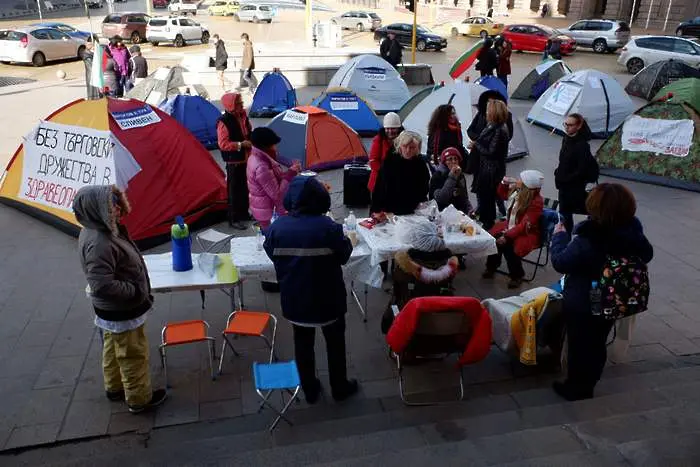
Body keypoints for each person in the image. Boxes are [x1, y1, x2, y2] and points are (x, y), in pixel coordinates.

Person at [551, 183, 653, 401]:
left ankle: (576, 387)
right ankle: (590, 381)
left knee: (579, 345)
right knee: (598, 341)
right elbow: (647, 254)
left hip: (583, 299)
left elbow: (560, 262)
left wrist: (559, 237)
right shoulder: (633, 233)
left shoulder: (588, 238)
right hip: (614, 298)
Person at [73, 185, 167, 414]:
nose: (116, 207)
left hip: (111, 311)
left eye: (117, 201)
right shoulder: (100, 242)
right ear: (97, 210)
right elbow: (102, 285)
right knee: (133, 354)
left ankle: (114, 387)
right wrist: (134, 291)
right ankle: (139, 398)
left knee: (113, 348)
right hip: (122, 309)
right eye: (110, 204)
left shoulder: (96, 231)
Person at [264, 175, 358, 404]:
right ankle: (339, 387)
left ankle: (310, 389)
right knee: (335, 344)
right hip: (329, 300)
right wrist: (349, 241)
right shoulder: (329, 228)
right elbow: (344, 256)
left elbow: (271, 253)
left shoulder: (277, 228)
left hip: (295, 300)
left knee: (303, 343)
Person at [381, 220, 458, 334]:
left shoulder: (404, 268)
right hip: (442, 325)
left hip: (411, 325)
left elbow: (397, 295)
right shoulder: (450, 267)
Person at [482, 170, 544, 288]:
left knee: (508, 245)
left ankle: (517, 275)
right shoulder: (518, 192)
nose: (518, 180)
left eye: (521, 179)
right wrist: (504, 183)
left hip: (527, 232)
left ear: (527, 184)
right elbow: (502, 194)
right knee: (494, 239)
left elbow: (524, 225)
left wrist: (507, 236)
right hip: (512, 224)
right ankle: (491, 266)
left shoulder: (536, 202)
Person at [247, 127, 300, 230]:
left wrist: (288, 173)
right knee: (271, 238)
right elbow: (276, 195)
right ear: (266, 146)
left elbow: (273, 179)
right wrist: (290, 174)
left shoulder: (259, 157)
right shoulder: (262, 166)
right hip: (268, 212)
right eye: (274, 144)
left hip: (263, 207)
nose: (276, 147)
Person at [468, 100, 509, 230]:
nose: (486, 112)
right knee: (484, 197)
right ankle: (485, 218)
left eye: (488, 110)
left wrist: (476, 144)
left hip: (490, 170)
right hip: (486, 168)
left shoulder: (499, 129)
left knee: (487, 198)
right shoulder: (493, 126)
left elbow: (491, 151)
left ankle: (488, 224)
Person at [371, 130, 430, 215]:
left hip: (412, 210)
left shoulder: (420, 163)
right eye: (405, 146)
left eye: (412, 147)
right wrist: (376, 210)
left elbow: (424, 188)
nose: (408, 150)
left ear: (418, 148)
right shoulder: (390, 161)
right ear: (399, 146)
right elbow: (380, 188)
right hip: (389, 210)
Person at [217, 92, 252, 229]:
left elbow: (248, 131)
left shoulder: (242, 115)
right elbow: (223, 144)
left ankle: (243, 213)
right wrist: (241, 144)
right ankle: (233, 219)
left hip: (245, 158)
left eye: (241, 102)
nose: (242, 105)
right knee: (233, 191)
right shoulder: (223, 121)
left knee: (244, 188)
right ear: (231, 105)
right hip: (233, 161)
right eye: (238, 103)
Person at [555, 113, 594, 233]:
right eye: (565, 124)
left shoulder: (582, 145)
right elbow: (563, 160)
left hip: (574, 186)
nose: (567, 127)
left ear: (579, 126)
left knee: (570, 212)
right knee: (564, 215)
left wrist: (566, 178)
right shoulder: (566, 138)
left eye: (570, 125)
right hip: (563, 184)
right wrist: (558, 173)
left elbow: (582, 169)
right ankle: (565, 238)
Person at [429, 147, 472, 214]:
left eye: (455, 159)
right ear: (444, 162)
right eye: (450, 159)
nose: (454, 161)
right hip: (442, 212)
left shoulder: (460, 175)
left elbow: (464, 196)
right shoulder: (438, 176)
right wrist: (452, 177)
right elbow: (442, 198)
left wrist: (469, 210)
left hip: (458, 212)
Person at [368, 112, 403, 193]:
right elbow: (373, 161)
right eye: (387, 128)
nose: (390, 131)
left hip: (399, 179)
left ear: (399, 128)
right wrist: (386, 173)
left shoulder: (404, 140)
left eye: (393, 128)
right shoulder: (378, 140)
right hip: (380, 180)